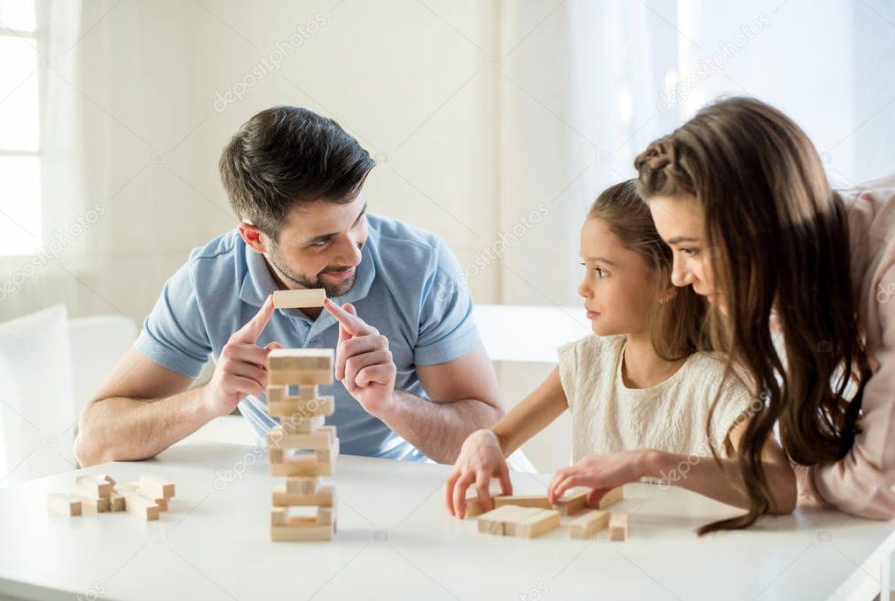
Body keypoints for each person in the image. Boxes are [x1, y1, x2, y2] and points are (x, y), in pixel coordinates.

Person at [74, 106, 502, 466]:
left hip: (409, 486)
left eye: (358, 221)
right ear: (255, 238)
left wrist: (391, 404)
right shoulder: (207, 281)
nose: (353, 254)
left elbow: (490, 434)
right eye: (321, 241)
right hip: (284, 490)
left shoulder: (422, 266)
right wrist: (211, 399)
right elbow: (95, 440)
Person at [446, 181, 795, 533]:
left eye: (602, 271)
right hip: (601, 572)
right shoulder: (587, 363)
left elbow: (782, 488)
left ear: (666, 281)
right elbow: (501, 437)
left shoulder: (715, 381)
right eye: (585, 267)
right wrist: (483, 441)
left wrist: (648, 462)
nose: (583, 287)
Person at [635, 96, 895, 522]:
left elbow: (879, 486)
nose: (680, 276)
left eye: (692, 250)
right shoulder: (821, 253)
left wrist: (792, 482)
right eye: (672, 250)